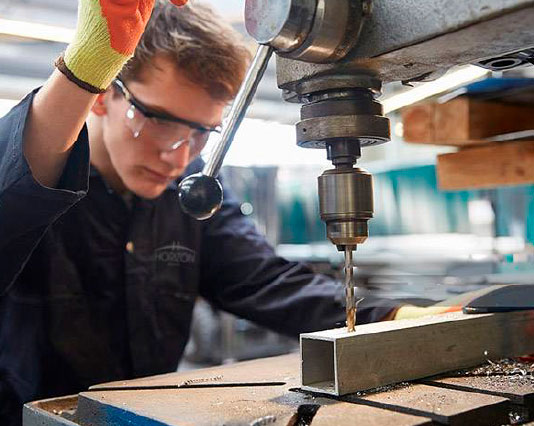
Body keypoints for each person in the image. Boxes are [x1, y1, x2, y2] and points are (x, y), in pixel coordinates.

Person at [0, 1, 403, 423]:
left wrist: (393, 317)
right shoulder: (33, 185)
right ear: (103, 97)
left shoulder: (190, 189)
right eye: (159, 121)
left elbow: (264, 281)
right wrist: (83, 71)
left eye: (200, 134)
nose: (179, 157)